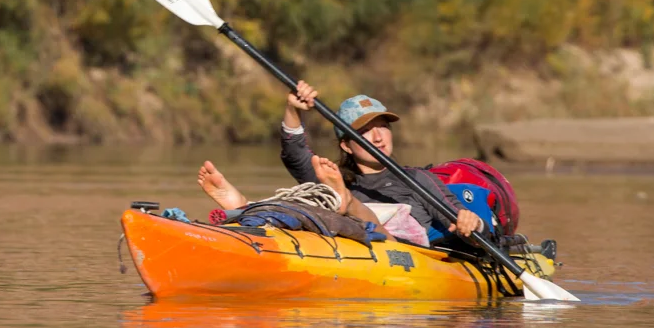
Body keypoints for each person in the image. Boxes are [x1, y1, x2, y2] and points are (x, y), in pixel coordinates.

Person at [198, 81, 484, 241]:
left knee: (343, 208)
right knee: (314, 202)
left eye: (383, 126)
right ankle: (247, 210)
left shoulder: (419, 181)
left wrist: (473, 223)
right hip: (340, 248)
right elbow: (293, 152)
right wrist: (292, 109)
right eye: (364, 132)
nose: (378, 137)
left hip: (399, 253)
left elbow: (459, 220)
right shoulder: (330, 177)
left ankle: (348, 205)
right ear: (346, 145)